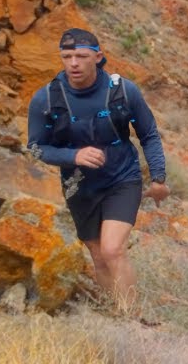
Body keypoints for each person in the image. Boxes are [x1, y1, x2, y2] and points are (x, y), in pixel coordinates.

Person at [26, 27, 169, 309]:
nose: (73, 63)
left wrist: (158, 177)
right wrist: (73, 156)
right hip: (80, 186)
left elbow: (149, 134)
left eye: (81, 56)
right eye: (67, 57)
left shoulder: (123, 91)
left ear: (98, 57)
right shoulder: (46, 99)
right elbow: (35, 147)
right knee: (99, 255)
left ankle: (132, 318)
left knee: (113, 249)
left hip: (122, 179)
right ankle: (114, 311)